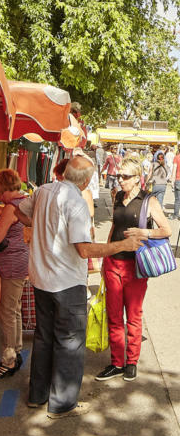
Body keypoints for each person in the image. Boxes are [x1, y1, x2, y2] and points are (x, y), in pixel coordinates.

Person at [15, 155, 142, 419]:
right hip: (65, 282)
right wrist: (121, 246)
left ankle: (37, 395)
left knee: (44, 338)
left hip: (41, 278)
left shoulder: (43, 191)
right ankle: (63, 403)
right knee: (69, 342)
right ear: (85, 181)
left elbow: (20, 212)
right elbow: (84, 250)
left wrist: (40, 227)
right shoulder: (76, 202)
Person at [96, 156, 170, 381]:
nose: (120, 180)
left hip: (135, 266)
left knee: (134, 316)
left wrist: (145, 233)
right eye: (119, 175)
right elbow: (114, 226)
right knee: (115, 315)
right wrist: (105, 254)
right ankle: (117, 362)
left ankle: (131, 361)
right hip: (112, 263)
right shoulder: (117, 195)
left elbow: (166, 230)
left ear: (137, 179)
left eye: (125, 177)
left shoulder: (148, 201)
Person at [0, 169, 29, 380]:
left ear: (2, 188)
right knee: (15, 308)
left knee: (8, 312)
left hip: (12, 262)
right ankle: (17, 350)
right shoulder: (24, 201)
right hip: (21, 259)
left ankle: (9, 359)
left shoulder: (11, 208)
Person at [170, 146, 180, 220]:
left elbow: (174, 170)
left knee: (177, 199)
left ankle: (176, 215)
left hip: (178, 180)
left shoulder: (177, 157)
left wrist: (172, 181)